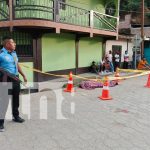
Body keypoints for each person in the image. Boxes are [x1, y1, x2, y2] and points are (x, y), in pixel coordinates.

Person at [0, 36, 27, 132]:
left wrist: (23, 75)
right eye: (13, 42)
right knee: (4, 101)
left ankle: (16, 116)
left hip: (16, 78)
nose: (15, 44)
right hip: (5, 79)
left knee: (16, 98)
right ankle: (1, 122)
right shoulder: (1, 54)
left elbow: (17, 65)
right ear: (7, 44)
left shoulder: (14, 53)